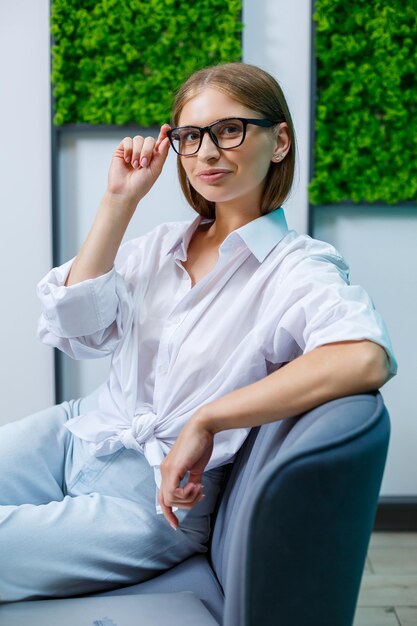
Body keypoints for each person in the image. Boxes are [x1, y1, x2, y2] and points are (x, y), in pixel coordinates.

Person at [0, 62, 396, 603]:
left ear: (279, 141)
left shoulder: (298, 268)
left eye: (229, 130)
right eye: (191, 137)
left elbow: (364, 358)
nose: (208, 153)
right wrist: (120, 201)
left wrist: (209, 419)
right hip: (77, 434)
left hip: (155, 501)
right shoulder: (161, 244)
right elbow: (80, 332)